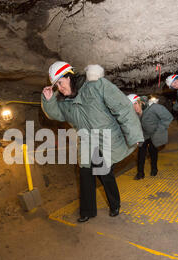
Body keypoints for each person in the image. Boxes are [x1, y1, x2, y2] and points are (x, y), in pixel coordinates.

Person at [41, 61, 144, 223]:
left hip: (105, 140)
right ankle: (87, 212)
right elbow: (58, 115)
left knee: (105, 175)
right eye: (56, 85)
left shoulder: (96, 86)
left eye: (60, 82)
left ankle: (114, 205)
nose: (59, 88)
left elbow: (122, 108)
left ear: (69, 77)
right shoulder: (64, 101)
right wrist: (48, 101)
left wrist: (134, 135)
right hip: (87, 143)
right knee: (85, 175)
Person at [128, 94, 173, 179]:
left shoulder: (153, 108)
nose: (134, 107)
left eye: (135, 104)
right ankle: (140, 173)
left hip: (153, 133)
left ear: (140, 102)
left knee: (153, 151)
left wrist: (160, 130)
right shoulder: (133, 115)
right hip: (143, 135)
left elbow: (168, 117)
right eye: (131, 106)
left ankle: (154, 169)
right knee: (141, 153)